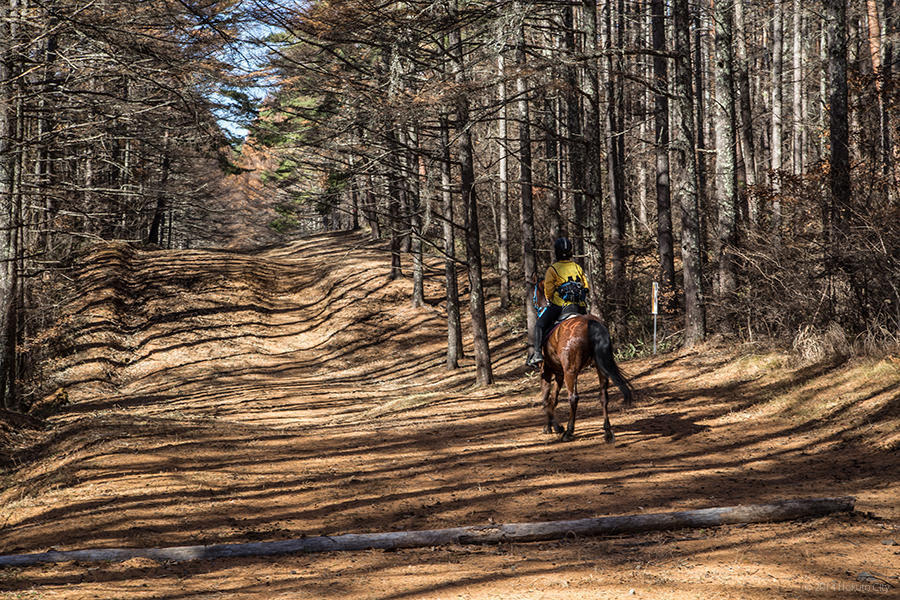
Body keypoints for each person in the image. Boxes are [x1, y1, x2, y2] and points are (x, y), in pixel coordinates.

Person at [527, 236, 589, 367]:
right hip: (580, 307)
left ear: (556, 252)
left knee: (539, 325)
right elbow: (586, 286)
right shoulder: (577, 267)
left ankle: (537, 354)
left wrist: (551, 300)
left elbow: (548, 291)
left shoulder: (553, 269)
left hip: (561, 307)